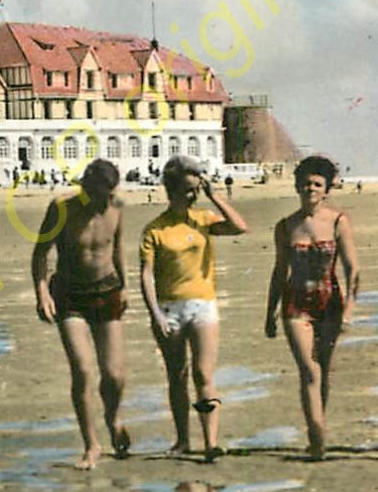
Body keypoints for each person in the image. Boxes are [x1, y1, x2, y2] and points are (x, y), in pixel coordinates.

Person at [140, 154, 249, 462]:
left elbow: (240, 227)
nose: (192, 195)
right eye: (187, 189)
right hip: (168, 308)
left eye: (195, 189)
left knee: (203, 373)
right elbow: (145, 275)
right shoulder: (155, 230)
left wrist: (215, 197)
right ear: (170, 190)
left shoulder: (203, 220)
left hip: (202, 305)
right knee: (177, 375)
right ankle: (182, 441)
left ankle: (210, 442)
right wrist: (155, 314)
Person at [32, 159, 131, 470]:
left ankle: (112, 418)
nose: (104, 203)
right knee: (84, 371)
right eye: (99, 196)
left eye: (109, 195)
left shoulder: (116, 206)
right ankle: (91, 445)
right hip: (70, 294)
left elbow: (117, 248)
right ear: (85, 187)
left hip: (106, 290)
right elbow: (40, 252)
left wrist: (126, 286)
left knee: (115, 376)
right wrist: (42, 292)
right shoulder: (61, 208)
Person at [265, 155, 359, 460]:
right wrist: (270, 313)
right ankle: (316, 436)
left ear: (327, 189)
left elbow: (352, 269)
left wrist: (349, 311)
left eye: (317, 184)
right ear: (296, 186)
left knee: (324, 370)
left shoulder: (337, 221)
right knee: (309, 370)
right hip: (296, 304)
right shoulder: (285, 226)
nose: (310, 189)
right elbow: (280, 272)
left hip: (330, 302)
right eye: (305, 183)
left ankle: (319, 423)